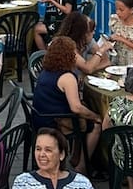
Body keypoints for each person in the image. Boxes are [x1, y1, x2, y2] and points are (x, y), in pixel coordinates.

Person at [30, 35, 102, 169]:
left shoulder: (46, 71)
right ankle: (81, 167)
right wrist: (96, 116)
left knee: (83, 114)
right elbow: (76, 108)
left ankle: (76, 156)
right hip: (54, 121)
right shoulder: (66, 77)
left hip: (40, 117)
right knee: (96, 125)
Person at [56, 10, 110, 76]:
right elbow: (88, 68)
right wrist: (101, 51)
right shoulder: (65, 46)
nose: (93, 33)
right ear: (82, 34)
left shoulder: (88, 41)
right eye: (91, 31)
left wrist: (92, 69)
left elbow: (106, 61)